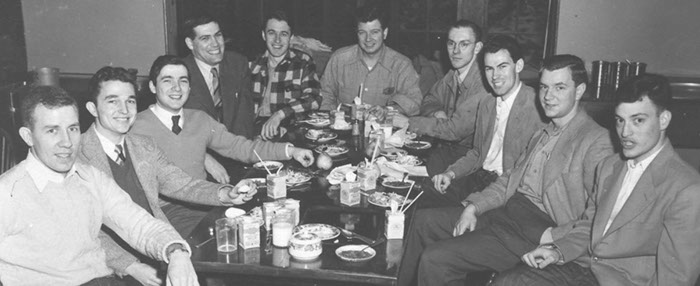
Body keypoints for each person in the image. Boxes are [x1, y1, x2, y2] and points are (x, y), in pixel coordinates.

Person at [397, 54, 614, 286]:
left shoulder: (596, 141)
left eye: (559, 87)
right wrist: (474, 206)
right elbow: (510, 178)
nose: (548, 96)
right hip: (507, 216)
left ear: (579, 90)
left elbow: (602, 216)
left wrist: (557, 240)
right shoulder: (543, 134)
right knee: (425, 221)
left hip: (532, 235)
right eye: (544, 87)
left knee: (436, 259)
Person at [494, 74, 700, 286]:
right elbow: (590, 227)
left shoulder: (687, 189)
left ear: (664, 119)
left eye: (638, 120)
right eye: (620, 120)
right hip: (584, 268)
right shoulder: (610, 166)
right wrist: (557, 251)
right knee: (508, 281)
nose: (625, 132)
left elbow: (675, 279)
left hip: (624, 281)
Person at [0, 86, 198, 286]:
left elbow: (137, 223)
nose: (67, 142)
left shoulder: (91, 178)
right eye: (52, 131)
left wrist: (176, 251)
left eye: (73, 128)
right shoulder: (6, 192)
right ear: (28, 136)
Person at [77, 66, 256, 285]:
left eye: (130, 101)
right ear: (92, 108)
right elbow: (86, 231)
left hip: (154, 244)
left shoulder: (143, 146)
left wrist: (227, 194)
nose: (124, 110)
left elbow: (182, 184)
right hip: (108, 263)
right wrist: (131, 266)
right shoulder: (77, 156)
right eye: (112, 101)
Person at [424, 35, 546, 207]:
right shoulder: (487, 102)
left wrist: (476, 203)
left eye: (502, 67)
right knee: (421, 196)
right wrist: (450, 174)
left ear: (518, 66)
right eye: (489, 69)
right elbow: (477, 153)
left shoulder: (536, 107)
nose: (495, 76)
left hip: (503, 189)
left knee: (434, 219)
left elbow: (527, 173)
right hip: (478, 177)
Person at [393, 20, 490, 176]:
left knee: (403, 175)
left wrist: (407, 122)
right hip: (447, 150)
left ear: (477, 48)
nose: (455, 51)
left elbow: (454, 131)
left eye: (464, 44)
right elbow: (429, 99)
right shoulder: (454, 73)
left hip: (472, 163)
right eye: (451, 44)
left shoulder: (483, 83)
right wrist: (437, 112)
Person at [319, 5, 423, 117]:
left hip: (385, 131)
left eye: (374, 32)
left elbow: (415, 102)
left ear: (385, 33)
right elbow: (325, 95)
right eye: (362, 32)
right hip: (344, 128)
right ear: (356, 34)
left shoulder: (401, 65)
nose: (368, 39)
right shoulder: (339, 59)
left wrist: (388, 110)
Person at [250, 11, 322, 140]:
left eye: (284, 34)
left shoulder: (303, 62)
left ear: (291, 37)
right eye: (271, 33)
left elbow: (314, 98)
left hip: (290, 131)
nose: (277, 40)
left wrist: (280, 114)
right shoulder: (251, 64)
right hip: (254, 132)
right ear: (263, 35)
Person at [182, 15, 256, 138]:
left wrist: (236, 152)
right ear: (190, 43)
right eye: (205, 38)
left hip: (235, 147)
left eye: (218, 35)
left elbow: (244, 119)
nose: (215, 44)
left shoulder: (237, 64)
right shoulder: (180, 72)